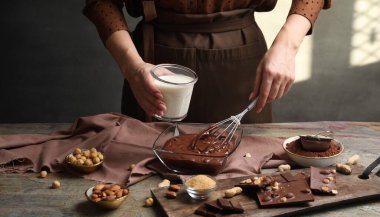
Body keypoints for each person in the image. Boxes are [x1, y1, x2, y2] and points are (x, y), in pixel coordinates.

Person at [83, 0, 332, 123]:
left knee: (246, 177)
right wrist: (133, 68)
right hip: (153, 66)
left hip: (242, 64)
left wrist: (287, 46)